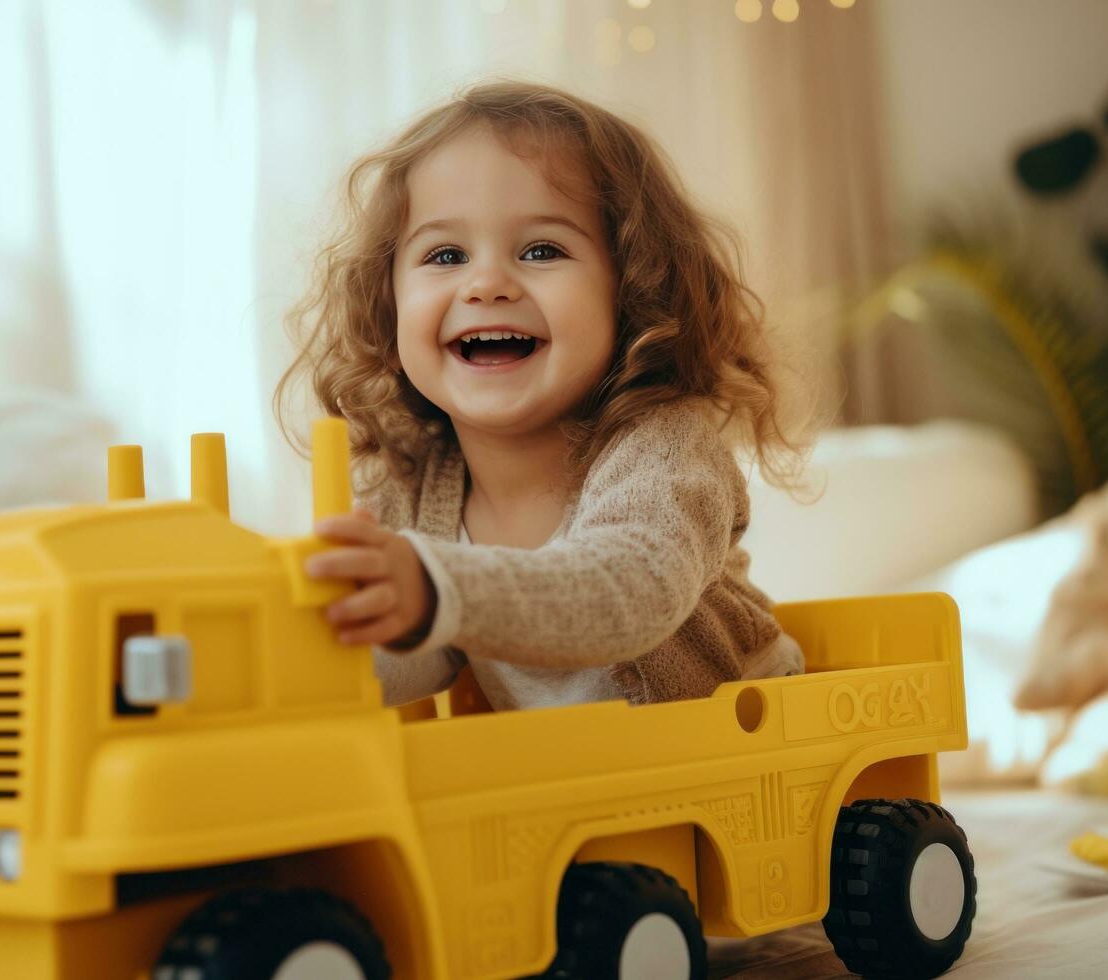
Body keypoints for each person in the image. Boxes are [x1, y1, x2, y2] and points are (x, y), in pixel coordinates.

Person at [274, 79, 812, 711]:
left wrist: (432, 587)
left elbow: (630, 593)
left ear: (632, 291)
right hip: (569, 780)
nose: (487, 284)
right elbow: (402, 664)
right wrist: (302, 651)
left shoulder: (663, 447)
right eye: (445, 254)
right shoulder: (413, 485)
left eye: (541, 249)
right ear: (388, 303)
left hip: (737, 753)